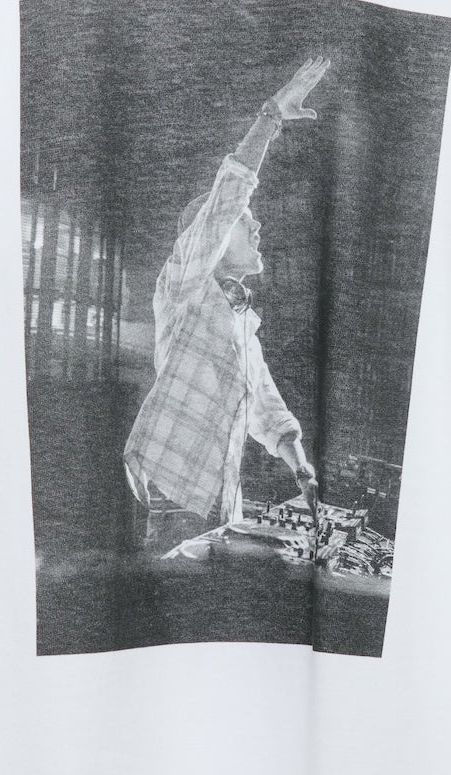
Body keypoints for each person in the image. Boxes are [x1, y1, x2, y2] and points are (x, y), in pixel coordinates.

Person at [124, 56, 329, 549]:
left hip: (215, 495)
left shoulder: (239, 317)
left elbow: (264, 399)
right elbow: (227, 197)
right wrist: (271, 117)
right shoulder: (183, 287)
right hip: (172, 487)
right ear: (213, 240)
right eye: (245, 221)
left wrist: (299, 462)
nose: (256, 227)